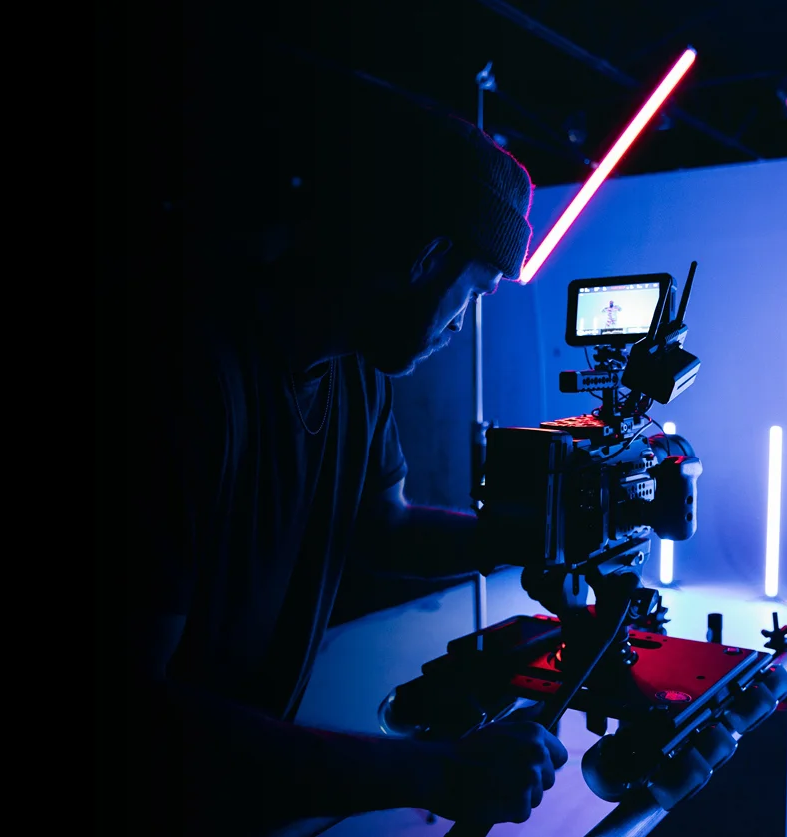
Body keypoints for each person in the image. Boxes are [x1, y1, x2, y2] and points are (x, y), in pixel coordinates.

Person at [125, 47, 567, 837]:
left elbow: (380, 525)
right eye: (473, 291)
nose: (462, 322)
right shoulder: (188, 379)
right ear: (426, 256)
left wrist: (527, 536)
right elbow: (134, 708)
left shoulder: (355, 374)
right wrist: (438, 771)